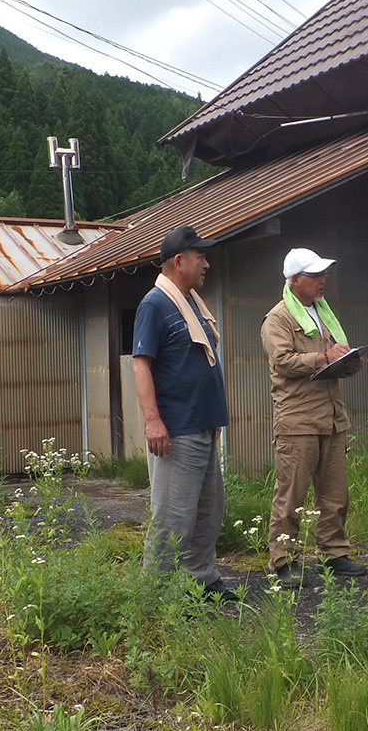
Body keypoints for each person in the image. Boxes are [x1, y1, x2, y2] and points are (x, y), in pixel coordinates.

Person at [132, 225, 236, 600]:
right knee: (173, 516)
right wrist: (153, 421)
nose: (207, 264)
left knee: (208, 509)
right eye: (200, 257)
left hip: (203, 423)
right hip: (176, 428)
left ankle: (201, 581)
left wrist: (215, 419)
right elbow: (141, 363)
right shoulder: (155, 304)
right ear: (179, 261)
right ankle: (156, 594)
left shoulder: (189, 301)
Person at [261, 246, 367, 589]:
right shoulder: (278, 318)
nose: (323, 280)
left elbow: (330, 358)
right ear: (295, 280)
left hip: (333, 416)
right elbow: (282, 362)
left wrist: (349, 363)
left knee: (335, 493)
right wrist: (323, 357)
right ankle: (283, 560)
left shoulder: (323, 313)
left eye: (324, 274)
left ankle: (334, 553)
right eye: (315, 275)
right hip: (297, 419)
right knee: (292, 493)